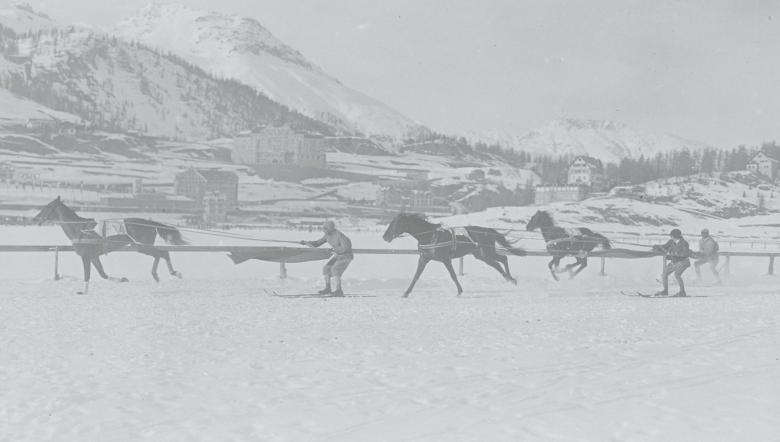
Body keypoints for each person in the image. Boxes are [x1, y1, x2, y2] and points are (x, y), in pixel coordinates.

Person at [300, 220, 353, 296]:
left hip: (346, 256)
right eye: (323, 228)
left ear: (330, 228)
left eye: (325, 228)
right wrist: (306, 243)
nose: (323, 230)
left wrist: (335, 250)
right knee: (326, 268)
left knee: (335, 269)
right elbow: (317, 243)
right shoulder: (327, 235)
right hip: (338, 255)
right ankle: (328, 288)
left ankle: (339, 290)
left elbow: (346, 248)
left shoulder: (340, 236)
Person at [652, 228, 692, 297]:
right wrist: (657, 246)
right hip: (674, 261)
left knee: (677, 274)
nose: (671, 237)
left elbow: (684, 254)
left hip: (683, 261)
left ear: (676, 236)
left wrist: (672, 255)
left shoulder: (684, 243)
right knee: (664, 274)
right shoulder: (671, 241)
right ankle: (665, 291)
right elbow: (664, 246)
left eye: (672, 236)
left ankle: (682, 292)